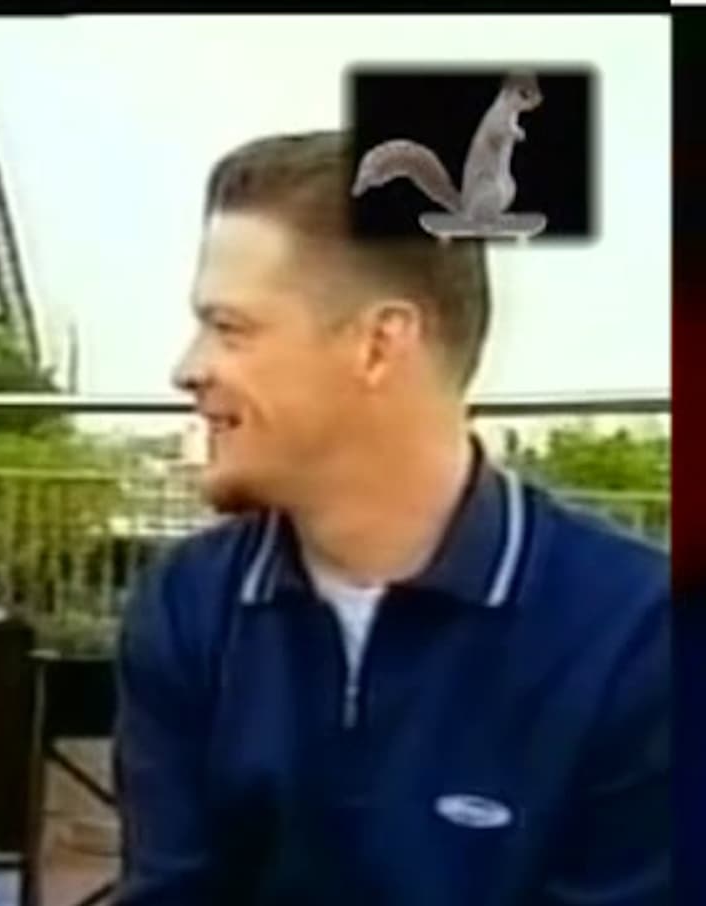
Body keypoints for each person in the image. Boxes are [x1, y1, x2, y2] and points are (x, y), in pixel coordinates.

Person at [113, 130, 669, 905]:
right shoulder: (190, 604)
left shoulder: (640, 636)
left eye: (230, 328)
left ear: (380, 345)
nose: (188, 368)